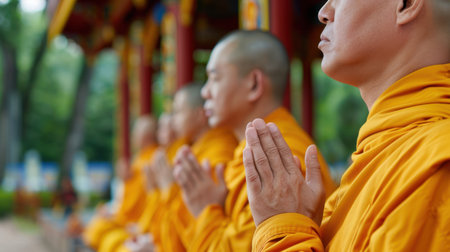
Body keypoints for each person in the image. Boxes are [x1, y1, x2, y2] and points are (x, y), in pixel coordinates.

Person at [245, 0, 450, 251]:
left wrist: (283, 231)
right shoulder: (382, 154)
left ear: (405, 5)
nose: (323, 13)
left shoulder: (436, 164)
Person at [173, 30, 336, 251]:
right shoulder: (248, 152)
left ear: (253, 84)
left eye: (215, 78)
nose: (205, 92)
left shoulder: (280, 155)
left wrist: (206, 211)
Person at [99, 83, 238, 252]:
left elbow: (202, 219)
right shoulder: (188, 151)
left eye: (178, 111)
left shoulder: (217, 152)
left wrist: (167, 189)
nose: (173, 120)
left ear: (200, 115)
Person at [82, 115, 158, 250]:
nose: (133, 137)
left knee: (107, 238)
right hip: (127, 218)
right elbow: (128, 198)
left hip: (139, 223)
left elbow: (153, 200)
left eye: (135, 133)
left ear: (145, 136)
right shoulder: (138, 160)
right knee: (96, 227)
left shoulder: (153, 160)